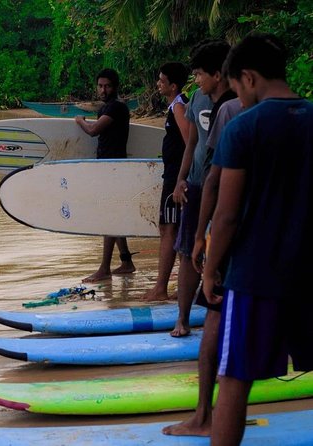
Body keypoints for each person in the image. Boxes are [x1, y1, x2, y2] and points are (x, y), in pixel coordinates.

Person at [203, 32, 313, 446]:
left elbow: (227, 215)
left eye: (236, 89)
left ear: (248, 78)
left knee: (234, 378)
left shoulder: (244, 128)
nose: (239, 99)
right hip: (308, 272)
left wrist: (211, 269)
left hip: (255, 276)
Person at [162, 79, 243, 436]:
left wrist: (201, 241)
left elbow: (216, 181)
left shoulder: (232, 112)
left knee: (216, 335)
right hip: (280, 250)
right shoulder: (302, 115)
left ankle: (205, 416)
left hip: (236, 242)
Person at [170, 40, 231, 337]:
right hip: (196, 183)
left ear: (217, 75)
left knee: (220, 250)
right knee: (187, 251)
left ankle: (217, 315)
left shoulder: (235, 104)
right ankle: (181, 318)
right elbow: (191, 143)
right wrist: (180, 179)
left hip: (224, 187)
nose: (196, 80)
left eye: (199, 74)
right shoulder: (196, 99)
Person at [75, 68, 135, 283]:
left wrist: (79, 120)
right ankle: (126, 262)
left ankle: (104, 269)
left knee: (109, 217)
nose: (103, 89)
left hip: (113, 168)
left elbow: (92, 131)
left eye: (107, 86)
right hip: (108, 166)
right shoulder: (107, 108)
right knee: (114, 215)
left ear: (115, 87)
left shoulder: (116, 107)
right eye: (100, 85)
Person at [141, 62, 190, 301]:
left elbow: (190, 141)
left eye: (162, 81)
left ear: (173, 85)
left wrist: (182, 178)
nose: (158, 84)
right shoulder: (176, 105)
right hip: (173, 176)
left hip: (175, 179)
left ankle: (162, 288)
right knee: (174, 228)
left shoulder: (179, 106)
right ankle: (181, 286)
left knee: (168, 229)